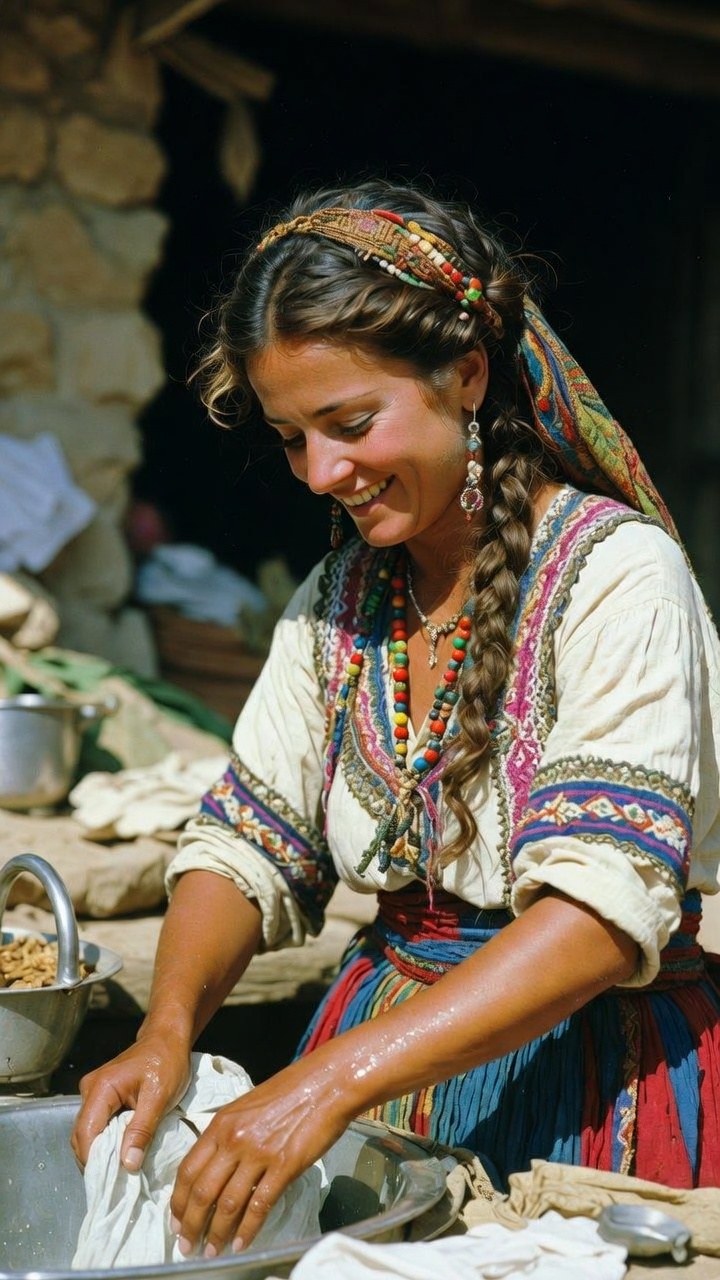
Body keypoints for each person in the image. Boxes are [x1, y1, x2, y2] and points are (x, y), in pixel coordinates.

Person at [72, 179, 720, 1260]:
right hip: (372, 1084)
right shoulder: (338, 602)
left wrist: (321, 1083)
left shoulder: (617, 579)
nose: (322, 473)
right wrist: (167, 1027)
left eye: (351, 423)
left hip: (588, 1086)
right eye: (292, 437)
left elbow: (598, 920)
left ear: (466, 375)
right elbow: (244, 841)